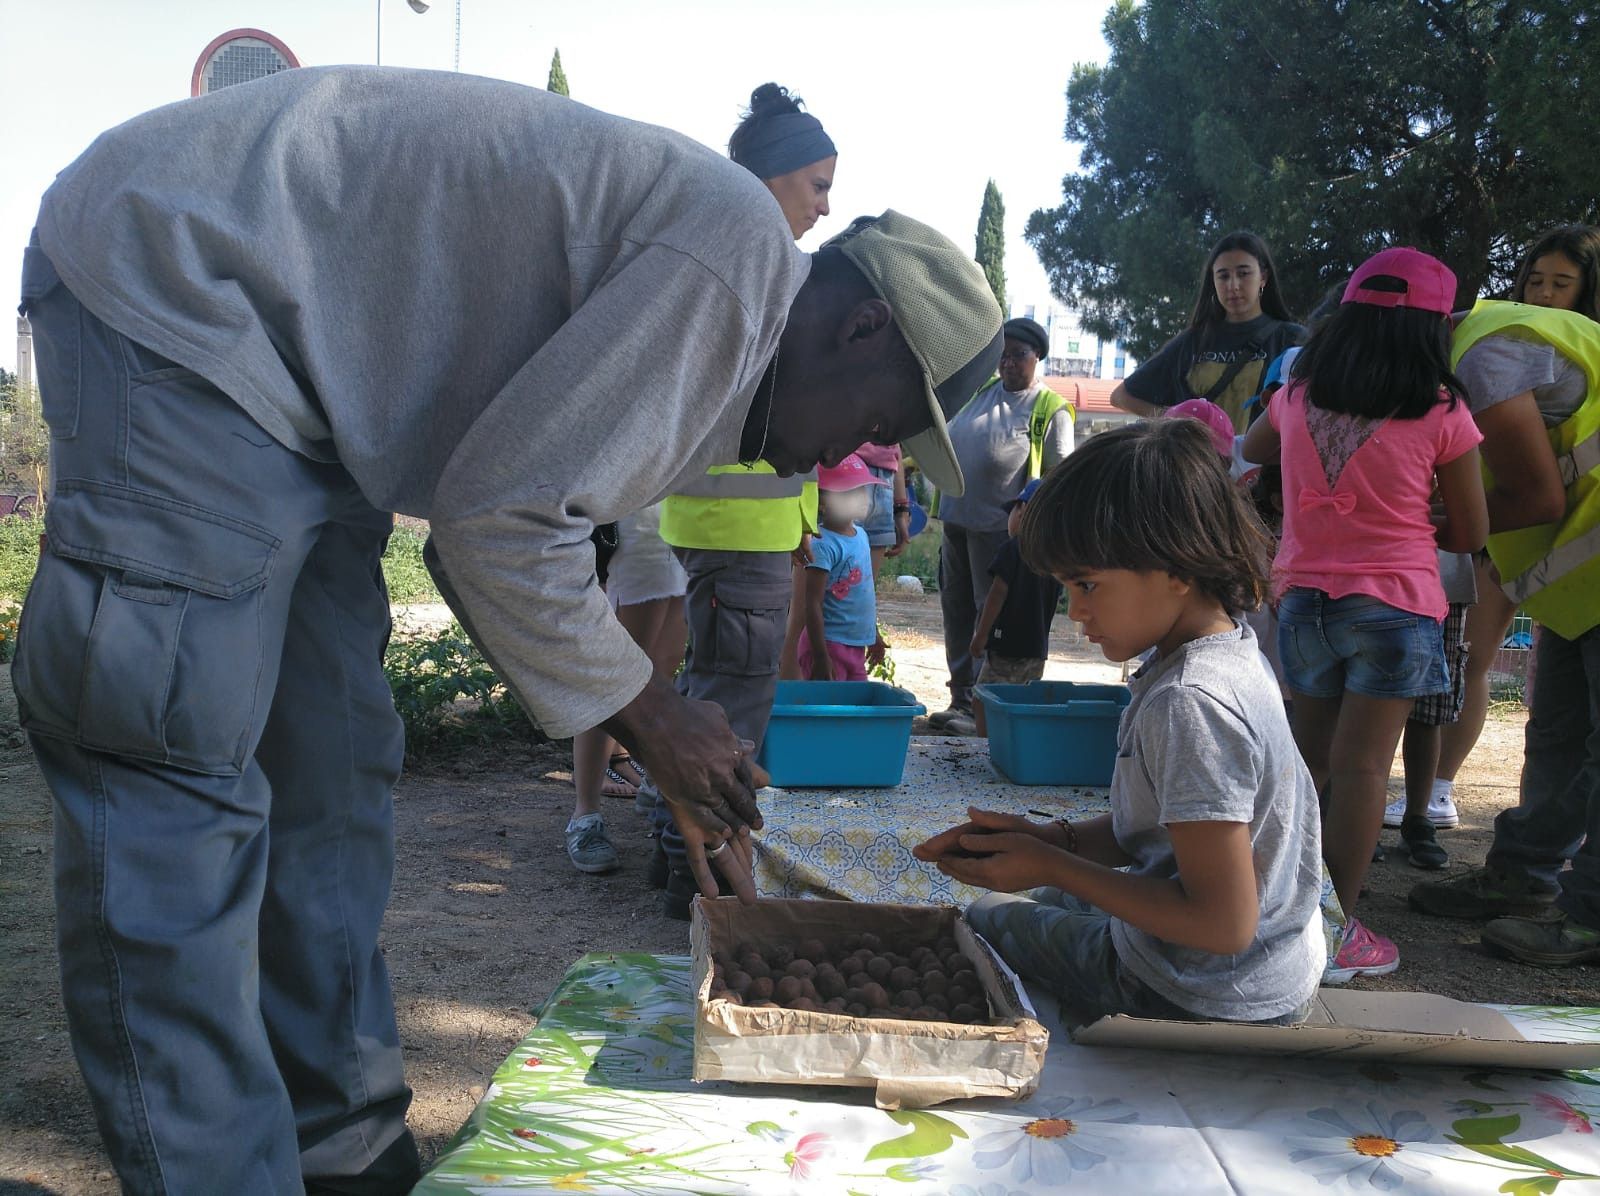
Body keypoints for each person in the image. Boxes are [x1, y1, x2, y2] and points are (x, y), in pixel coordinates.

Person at [12, 66, 1002, 1193]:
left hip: (308, 391)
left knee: (330, 772)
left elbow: (548, 531)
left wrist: (657, 733)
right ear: (860, 323)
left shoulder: (724, 347)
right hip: (183, 281)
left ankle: (344, 1151)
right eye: (873, 419)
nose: (841, 456)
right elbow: (495, 528)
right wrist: (652, 712)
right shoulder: (729, 263)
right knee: (174, 756)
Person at [914, 420, 1325, 1026]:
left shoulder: (1191, 703)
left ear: (1178, 569)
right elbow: (1171, 827)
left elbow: (1222, 924)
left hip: (1200, 988)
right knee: (1045, 893)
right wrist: (1052, 841)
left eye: (1088, 585)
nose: (1075, 611)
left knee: (985, 918)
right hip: (1270, 963)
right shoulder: (1227, 650)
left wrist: (1052, 866)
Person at [1241, 247, 1489, 982]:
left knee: (1307, 767)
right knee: (1362, 773)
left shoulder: (1297, 395)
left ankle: (1280, 915)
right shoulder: (1443, 411)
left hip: (1303, 602)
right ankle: (1334, 932)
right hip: (1397, 607)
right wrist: (1423, 513)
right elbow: (1472, 533)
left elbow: (1251, 450)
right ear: (1433, 330)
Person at [648, 81, 842, 917]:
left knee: (718, 683)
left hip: (730, 527)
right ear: (771, 179)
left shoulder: (726, 268)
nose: (826, 209)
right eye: (818, 186)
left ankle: (680, 854)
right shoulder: (761, 277)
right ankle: (691, 871)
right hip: (737, 528)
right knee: (733, 700)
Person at [1407, 253, 1600, 968]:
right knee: (1555, 732)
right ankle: (1523, 877)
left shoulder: (1488, 358)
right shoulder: (1477, 348)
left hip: (1587, 551)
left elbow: (1538, 498)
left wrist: (1408, 524)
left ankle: (1591, 917)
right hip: (1580, 571)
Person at [929, 316, 1074, 734]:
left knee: (986, 615)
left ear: (1038, 357)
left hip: (999, 531)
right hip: (956, 519)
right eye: (1003, 356)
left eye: (1019, 355)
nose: (1009, 363)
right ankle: (960, 697)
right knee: (955, 611)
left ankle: (982, 707)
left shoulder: (1049, 408)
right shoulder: (980, 392)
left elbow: (1057, 478)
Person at [566, 503, 688, 872]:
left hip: (688, 523)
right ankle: (585, 816)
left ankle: (655, 793)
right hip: (637, 526)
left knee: (662, 670)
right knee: (613, 678)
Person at [1112, 230, 1305, 432]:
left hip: (1265, 463)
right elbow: (1121, 396)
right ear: (1213, 281)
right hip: (1198, 463)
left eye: (1243, 273)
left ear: (1263, 277)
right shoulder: (1192, 341)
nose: (1233, 285)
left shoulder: (1293, 340)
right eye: (1223, 276)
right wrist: (1176, 421)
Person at [968, 478, 1061, 736]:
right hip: (1037, 648)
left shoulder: (1013, 549)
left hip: (1006, 645)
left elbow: (997, 593)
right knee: (1021, 702)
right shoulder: (1055, 557)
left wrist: (981, 635)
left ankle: (986, 745)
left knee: (982, 698)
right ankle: (1017, 743)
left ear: (1022, 510)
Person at [798, 454, 888, 681]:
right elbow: (812, 603)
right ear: (823, 501)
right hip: (828, 646)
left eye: (862, 490)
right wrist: (820, 657)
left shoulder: (862, 536)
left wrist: (872, 634)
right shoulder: (822, 545)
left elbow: (863, 594)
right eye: (849, 492)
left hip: (855, 646)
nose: (860, 498)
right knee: (828, 712)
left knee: (853, 711)